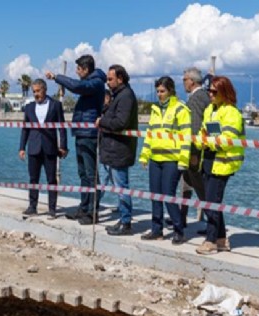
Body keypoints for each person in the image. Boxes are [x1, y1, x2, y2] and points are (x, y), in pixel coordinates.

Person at [46, 55, 106, 225]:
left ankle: (92, 211)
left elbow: (77, 86)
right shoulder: (91, 83)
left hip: (89, 134)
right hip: (81, 132)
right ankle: (84, 207)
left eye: (78, 69)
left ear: (86, 69)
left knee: (90, 174)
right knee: (82, 174)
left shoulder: (95, 83)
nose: (76, 72)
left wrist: (57, 78)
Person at [193, 76, 245, 255]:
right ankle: (221, 239)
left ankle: (211, 240)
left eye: (214, 91)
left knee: (211, 203)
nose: (210, 94)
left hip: (222, 162)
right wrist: (203, 142)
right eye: (209, 91)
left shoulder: (232, 113)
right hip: (207, 160)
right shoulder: (210, 110)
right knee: (210, 201)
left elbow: (227, 140)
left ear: (224, 92)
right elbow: (202, 133)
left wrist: (209, 142)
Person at [139, 76, 191, 244]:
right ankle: (157, 230)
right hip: (155, 158)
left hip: (172, 159)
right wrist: (144, 155)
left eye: (162, 91)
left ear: (171, 91)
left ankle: (178, 230)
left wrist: (183, 160)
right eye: (158, 91)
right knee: (155, 195)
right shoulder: (155, 110)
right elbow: (150, 135)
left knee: (168, 194)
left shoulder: (180, 109)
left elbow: (186, 137)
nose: (159, 94)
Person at [96, 65, 139, 236]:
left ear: (120, 78)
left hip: (119, 150)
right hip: (113, 149)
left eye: (110, 79)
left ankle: (126, 222)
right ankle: (123, 219)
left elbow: (121, 122)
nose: (107, 82)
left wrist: (102, 122)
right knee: (119, 188)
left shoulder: (126, 96)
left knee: (122, 188)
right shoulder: (118, 95)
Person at [18, 79, 68, 217]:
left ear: (44, 90)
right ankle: (32, 207)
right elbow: (25, 129)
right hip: (33, 148)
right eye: (34, 91)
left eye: (38, 91)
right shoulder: (29, 107)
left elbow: (62, 128)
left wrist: (63, 146)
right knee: (33, 179)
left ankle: (52, 209)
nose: (36, 94)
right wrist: (22, 147)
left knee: (51, 179)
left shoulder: (55, 105)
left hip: (50, 148)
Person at [180, 67, 210, 231]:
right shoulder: (200, 96)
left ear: (191, 81)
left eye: (184, 80)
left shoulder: (198, 98)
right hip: (192, 150)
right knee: (186, 184)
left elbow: (195, 126)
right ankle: (182, 216)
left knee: (200, 188)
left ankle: (212, 223)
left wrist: (193, 152)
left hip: (195, 152)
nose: (183, 83)